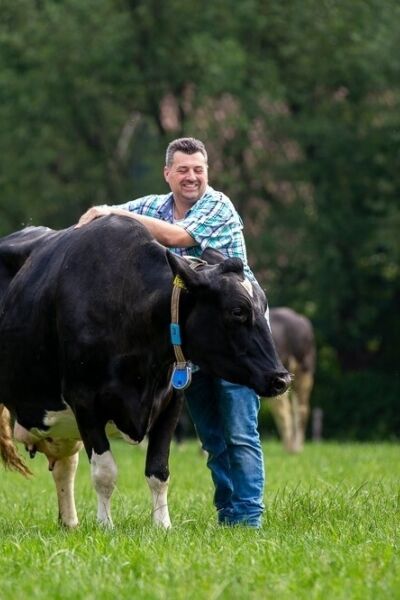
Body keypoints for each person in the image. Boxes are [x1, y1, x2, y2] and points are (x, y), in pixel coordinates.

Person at [77, 137, 265, 528]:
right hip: (193, 343)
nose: (192, 177)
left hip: (236, 337)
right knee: (213, 437)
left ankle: (248, 519)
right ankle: (228, 513)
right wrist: (93, 221)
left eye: (198, 169)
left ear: (207, 172)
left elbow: (177, 238)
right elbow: (110, 222)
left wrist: (112, 211)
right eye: (183, 169)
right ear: (168, 174)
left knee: (240, 432)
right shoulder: (151, 207)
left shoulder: (218, 205)